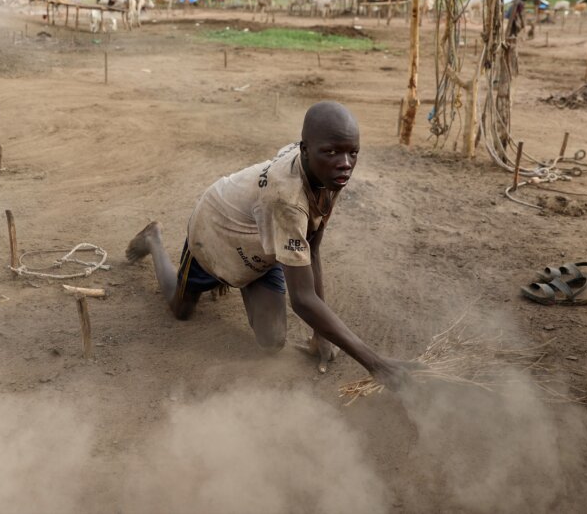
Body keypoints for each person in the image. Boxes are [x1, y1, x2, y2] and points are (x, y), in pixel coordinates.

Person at [126, 101, 419, 386]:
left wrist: (321, 334)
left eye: (352, 153)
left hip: (264, 242)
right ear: (305, 149)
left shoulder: (326, 172)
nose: (345, 164)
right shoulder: (286, 199)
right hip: (216, 231)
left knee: (272, 341)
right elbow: (302, 299)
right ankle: (154, 239)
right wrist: (377, 364)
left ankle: (243, 279)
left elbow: (311, 245)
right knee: (181, 310)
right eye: (332, 152)